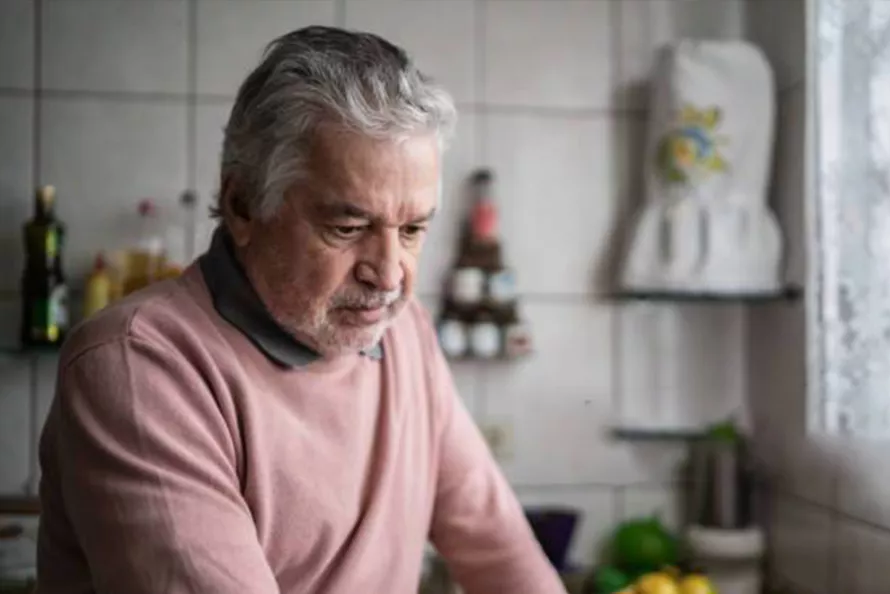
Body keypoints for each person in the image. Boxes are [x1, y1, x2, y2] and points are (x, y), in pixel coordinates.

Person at [35, 26, 566, 594]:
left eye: (412, 230)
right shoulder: (141, 365)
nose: (388, 275)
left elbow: (497, 546)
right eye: (348, 227)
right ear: (242, 205)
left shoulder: (405, 333)